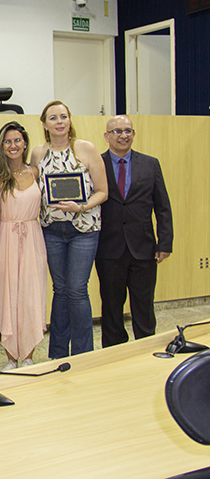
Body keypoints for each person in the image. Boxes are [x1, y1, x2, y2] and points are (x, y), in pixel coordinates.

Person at [30, 101, 108, 359]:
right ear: (44, 123)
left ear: (70, 120)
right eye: (53, 117)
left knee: (77, 290)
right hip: (51, 230)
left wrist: (82, 206)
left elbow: (103, 192)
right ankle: (58, 353)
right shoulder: (38, 154)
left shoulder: (85, 148)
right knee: (60, 290)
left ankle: (84, 354)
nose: (60, 121)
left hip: (83, 230)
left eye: (64, 116)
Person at [95, 115, 173, 347]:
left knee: (144, 303)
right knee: (111, 305)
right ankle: (114, 351)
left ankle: (146, 348)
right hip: (109, 249)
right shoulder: (96, 164)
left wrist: (165, 243)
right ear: (107, 136)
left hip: (144, 248)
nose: (123, 135)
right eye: (117, 131)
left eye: (127, 131)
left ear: (134, 134)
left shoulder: (150, 164)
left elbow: (162, 207)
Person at [0, 122, 48, 370]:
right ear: (1, 146)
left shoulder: (36, 172)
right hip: (6, 237)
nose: (13, 146)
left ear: (25, 143)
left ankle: (28, 355)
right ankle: (11, 357)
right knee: (6, 294)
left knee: (31, 295)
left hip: (33, 238)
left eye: (17, 140)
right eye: (7, 141)